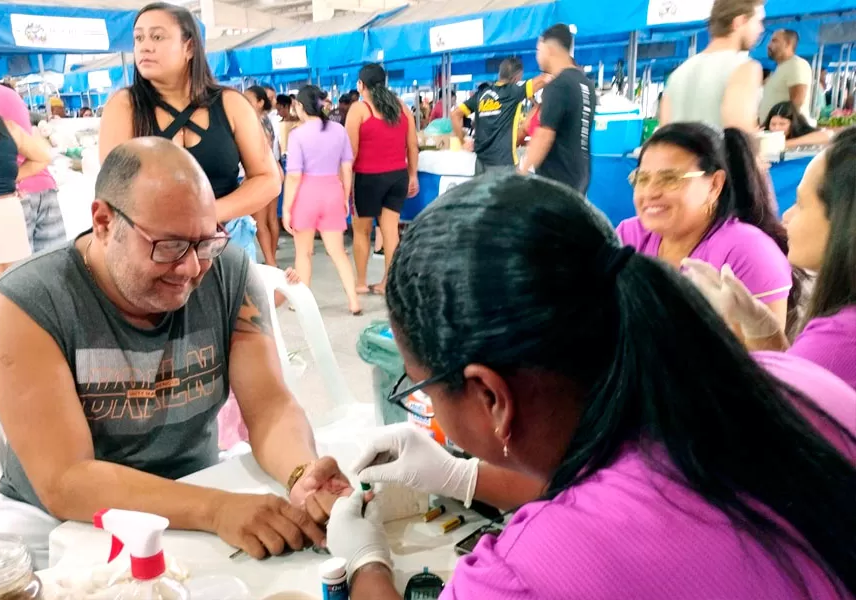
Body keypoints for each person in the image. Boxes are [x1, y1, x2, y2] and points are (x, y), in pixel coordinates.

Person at [325, 174, 856, 599]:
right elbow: (634, 492)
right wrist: (464, 477)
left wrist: (366, 566)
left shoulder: (525, 574)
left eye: (422, 389)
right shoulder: (792, 379)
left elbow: (612, 528)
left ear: (490, 397)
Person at [0, 138, 352, 569]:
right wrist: (215, 509)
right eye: (169, 246)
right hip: (55, 521)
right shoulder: (25, 303)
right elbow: (66, 481)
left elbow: (268, 406)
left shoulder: (227, 271)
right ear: (103, 221)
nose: (192, 268)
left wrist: (300, 472)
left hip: (195, 485)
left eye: (205, 242)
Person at [685, 129, 856, 389]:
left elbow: (773, 415)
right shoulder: (633, 230)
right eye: (642, 178)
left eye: (800, 203)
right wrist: (767, 337)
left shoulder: (838, 342)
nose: (787, 216)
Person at [99, 2, 279, 225]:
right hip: (153, 246)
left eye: (157, 37)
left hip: (224, 241)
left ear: (190, 47)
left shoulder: (231, 103)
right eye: (138, 38)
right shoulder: (124, 106)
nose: (144, 47)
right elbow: (113, 187)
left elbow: (268, 178)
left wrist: (208, 214)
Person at [616, 122, 795, 344]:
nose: (650, 192)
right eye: (642, 179)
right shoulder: (629, 235)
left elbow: (764, 361)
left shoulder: (748, 252)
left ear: (714, 185)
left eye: (670, 179)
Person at [0, 48, 66, 256]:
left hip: (3, 197)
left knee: (10, 278)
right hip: (43, 185)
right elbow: (40, 152)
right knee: (53, 266)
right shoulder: (10, 94)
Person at [282, 86, 362, 316]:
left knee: (303, 253)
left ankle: (302, 302)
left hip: (306, 195)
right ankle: (353, 301)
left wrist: (286, 208)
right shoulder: (338, 130)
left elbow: (294, 175)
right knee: (337, 252)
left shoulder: (297, 134)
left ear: (300, 106)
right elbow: (347, 167)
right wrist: (345, 196)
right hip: (332, 193)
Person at [346, 63, 419, 296]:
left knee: (362, 231)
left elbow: (351, 152)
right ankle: (388, 281)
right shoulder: (402, 108)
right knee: (390, 230)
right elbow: (412, 145)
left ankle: (360, 281)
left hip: (368, 178)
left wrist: (344, 181)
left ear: (360, 84)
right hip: (397, 176)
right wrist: (413, 175)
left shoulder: (360, 109)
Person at [661, 0, 765, 130]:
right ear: (739, 22)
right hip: (718, 151)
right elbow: (741, 139)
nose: (761, 29)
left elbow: (664, 134)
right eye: (758, 21)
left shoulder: (678, 74)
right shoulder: (744, 68)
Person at [520, 24, 597, 195]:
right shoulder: (586, 84)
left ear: (549, 49)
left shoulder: (558, 85)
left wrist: (521, 172)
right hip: (580, 174)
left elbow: (544, 135)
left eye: (538, 50)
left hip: (556, 179)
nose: (537, 56)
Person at [453, 58, 551, 175]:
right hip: (503, 163)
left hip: (480, 164)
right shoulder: (514, 92)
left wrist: (462, 141)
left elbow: (455, 114)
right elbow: (545, 78)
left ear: (500, 73)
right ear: (517, 78)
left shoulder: (482, 94)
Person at [245, 84, 283, 266]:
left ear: (260, 102)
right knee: (271, 219)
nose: (244, 102)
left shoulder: (254, 122)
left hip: (261, 173)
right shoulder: (266, 119)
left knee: (260, 223)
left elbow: (259, 151)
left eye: (249, 100)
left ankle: (270, 261)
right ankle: (271, 258)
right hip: (274, 170)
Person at [759, 29, 813, 123]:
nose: (768, 45)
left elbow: (796, 102)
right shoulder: (779, 69)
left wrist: (779, 125)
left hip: (785, 133)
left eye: (774, 41)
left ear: (788, 44)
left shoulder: (796, 65)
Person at [764, 100, 832, 147]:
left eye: (782, 124)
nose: (776, 128)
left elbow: (828, 135)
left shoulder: (802, 131)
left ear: (793, 123)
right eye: (773, 124)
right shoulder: (764, 134)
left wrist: (785, 144)